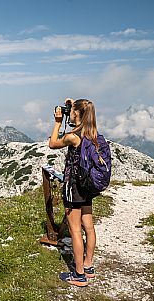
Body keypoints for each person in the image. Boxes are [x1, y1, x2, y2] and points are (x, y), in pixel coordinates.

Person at [49, 98, 97, 287]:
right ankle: (88, 266)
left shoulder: (73, 136)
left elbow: (53, 144)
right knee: (89, 227)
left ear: (76, 113)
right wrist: (72, 103)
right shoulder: (91, 131)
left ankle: (78, 275)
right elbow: (84, 107)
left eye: (72, 111)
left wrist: (58, 122)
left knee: (75, 230)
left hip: (74, 187)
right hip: (87, 186)